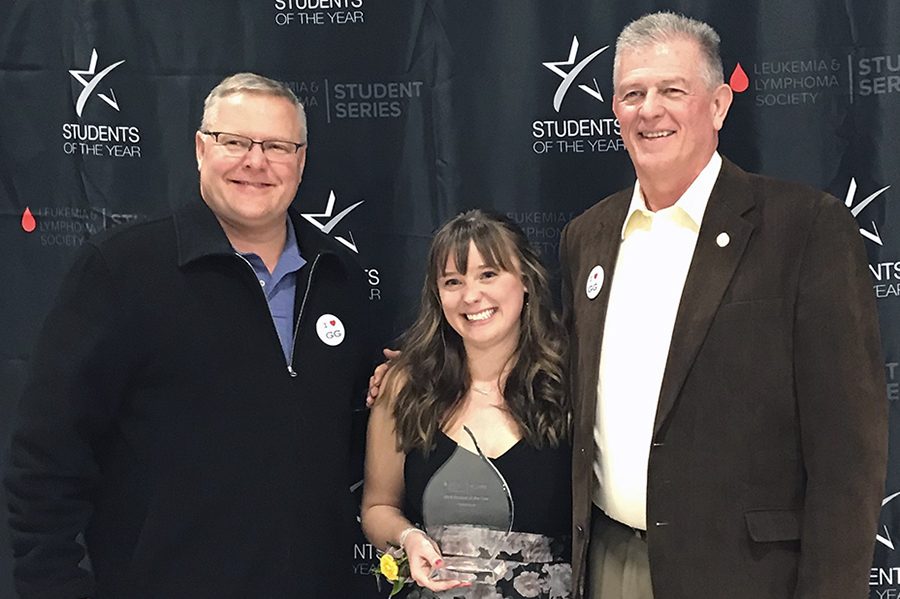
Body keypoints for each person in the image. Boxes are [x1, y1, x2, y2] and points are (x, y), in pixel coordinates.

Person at [4, 73, 373, 598]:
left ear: (302, 161)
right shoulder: (121, 270)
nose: (256, 161)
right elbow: (48, 455)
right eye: (236, 142)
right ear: (201, 149)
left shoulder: (338, 276)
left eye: (276, 146)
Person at [560, 11, 888, 599]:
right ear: (614, 109)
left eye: (671, 90)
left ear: (717, 105)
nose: (649, 109)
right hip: (609, 564)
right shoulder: (587, 236)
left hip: (747, 577)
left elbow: (847, 459)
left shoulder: (805, 229)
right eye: (633, 93)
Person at [361, 210, 572, 599]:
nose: (471, 295)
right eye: (453, 281)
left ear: (525, 280)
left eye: (488, 274)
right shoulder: (405, 386)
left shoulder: (570, 383)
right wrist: (407, 537)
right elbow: (377, 506)